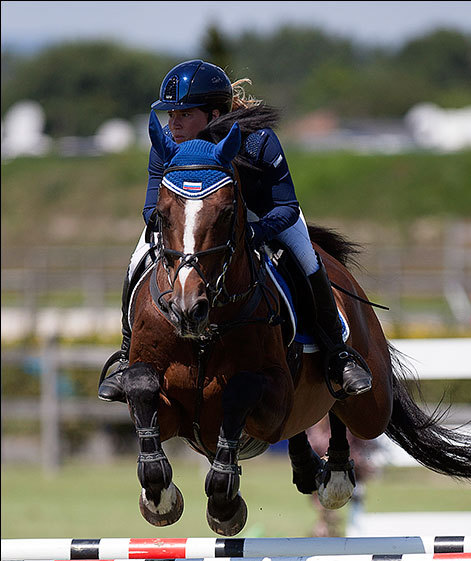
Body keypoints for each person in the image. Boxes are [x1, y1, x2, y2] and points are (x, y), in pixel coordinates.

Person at [99, 58, 372, 402]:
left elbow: (286, 206)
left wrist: (254, 234)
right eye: (171, 115)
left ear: (214, 116)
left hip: (263, 218)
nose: (174, 124)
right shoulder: (165, 146)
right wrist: (175, 228)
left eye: (184, 115)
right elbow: (149, 208)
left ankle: (337, 354)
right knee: (137, 258)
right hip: (193, 227)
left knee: (306, 257)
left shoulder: (258, 141)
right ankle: (127, 354)